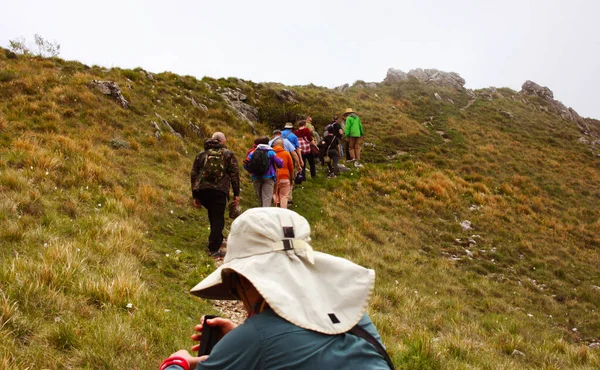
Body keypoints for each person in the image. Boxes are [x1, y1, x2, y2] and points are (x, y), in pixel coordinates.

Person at [160, 208, 393, 370]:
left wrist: (177, 363)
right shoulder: (351, 312)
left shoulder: (256, 339)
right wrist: (239, 345)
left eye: (232, 286)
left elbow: (274, 345)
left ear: (243, 279)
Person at [190, 132, 240, 257]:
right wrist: (236, 193)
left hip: (202, 190)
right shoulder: (228, 154)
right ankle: (214, 248)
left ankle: (217, 238)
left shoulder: (201, 155)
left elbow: (194, 174)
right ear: (222, 141)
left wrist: (195, 195)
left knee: (212, 214)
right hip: (219, 190)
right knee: (218, 217)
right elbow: (234, 175)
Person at [244, 136, 282, 207]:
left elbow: (245, 164)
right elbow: (279, 163)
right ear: (268, 143)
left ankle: (260, 215)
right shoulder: (271, 152)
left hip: (256, 177)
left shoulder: (253, 152)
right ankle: (265, 215)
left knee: (260, 199)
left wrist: (252, 171)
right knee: (267, 198)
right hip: (269, 177)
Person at [271, 138, 294, 208]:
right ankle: (283, 211)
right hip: (285, 177)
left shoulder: (270, 153)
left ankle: (276, 203)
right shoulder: (286, 154)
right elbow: (291, 167)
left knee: (275, 193)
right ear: (282, 145)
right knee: (284, 196)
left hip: (273, 177)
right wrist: (292, 179)